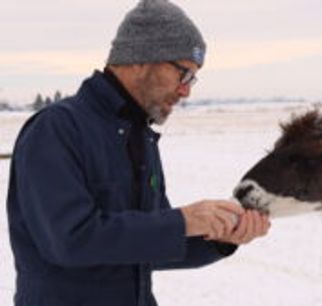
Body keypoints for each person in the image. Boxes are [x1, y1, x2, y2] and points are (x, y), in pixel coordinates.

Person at [6, 0, 270, 305]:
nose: (186, 91)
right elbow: (68, 240)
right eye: (183, 74)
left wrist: (220, 238)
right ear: (140, 58)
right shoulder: (56, 129)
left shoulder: (140, 137)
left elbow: (150, 245)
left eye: (192, 79)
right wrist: (183, 221)